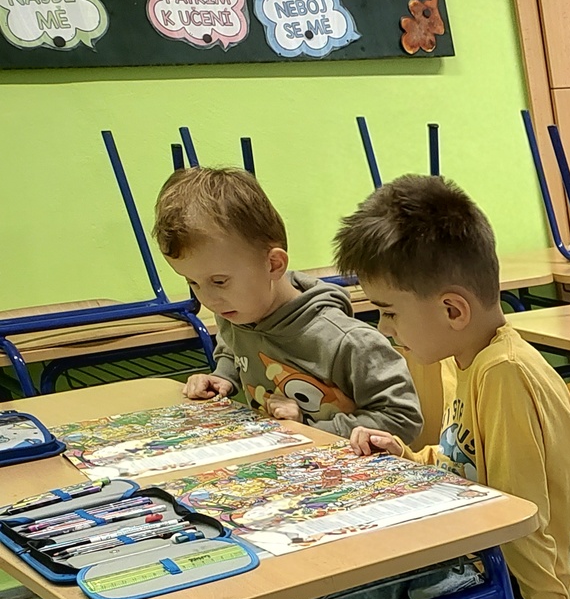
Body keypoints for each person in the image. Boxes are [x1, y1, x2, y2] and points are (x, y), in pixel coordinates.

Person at [283, 175, 570, 599]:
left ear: (452, 309)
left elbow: (523, 512)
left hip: (509, 578)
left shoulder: (505, 374)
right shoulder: (465, 356)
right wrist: (409, 457)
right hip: (467, 549)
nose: (384, 329)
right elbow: (467, 461)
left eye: (389, 312)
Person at [153, 166, 420, 441]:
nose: (208, 299)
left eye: (219, 281)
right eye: (193, 283)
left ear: (273, 264)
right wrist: (222, 378)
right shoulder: (235, 313)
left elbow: (402, 418)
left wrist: (308, 426)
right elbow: (232, 348)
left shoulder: (348, 341)